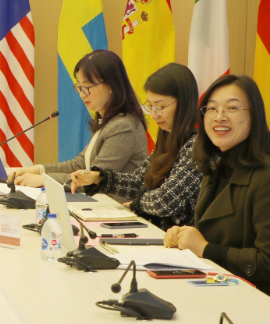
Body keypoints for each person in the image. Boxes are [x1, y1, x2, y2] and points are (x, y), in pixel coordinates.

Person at [163, 75, 270, 306]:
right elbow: (221, 232)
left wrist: (205, 249)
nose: (219, 116)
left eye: (232, 108)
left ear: (255, 116)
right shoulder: (220, 165)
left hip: (268, 303)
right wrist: (184, 236)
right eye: (212, 109)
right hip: (225, 284)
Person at [68, 63, 203, 231]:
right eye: (150, 107)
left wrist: (137, 204)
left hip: (178, 238)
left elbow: (165, 201)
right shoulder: (168, 136)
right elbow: (141, 182)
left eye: (160, 107)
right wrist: (100, 178)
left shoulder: (197, 145)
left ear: (184, 103)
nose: (153, 115)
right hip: (155, 231)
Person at [14, 49, 148, 187]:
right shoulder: (108, 121)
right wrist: (37, 170)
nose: (82, 94)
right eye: (80, 87)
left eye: (87, 87)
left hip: (113, 201)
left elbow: (94, 178)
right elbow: (79, 164)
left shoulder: (123, 125)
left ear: (111, 86)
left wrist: (43, 180)